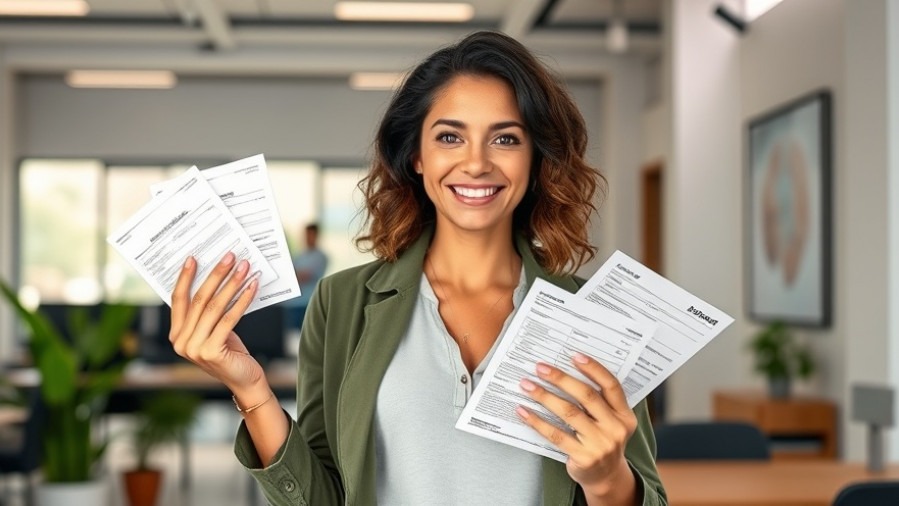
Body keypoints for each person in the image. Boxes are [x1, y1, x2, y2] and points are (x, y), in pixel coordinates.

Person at [168, 30, 667, 506]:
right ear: (417, 157)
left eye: (506, 139)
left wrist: (606, 480)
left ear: (536, 159)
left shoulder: (592, 316)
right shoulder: (341, 303)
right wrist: (251, 387)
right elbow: (321, 497)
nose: (476, 164)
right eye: (450, 137)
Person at [282, 223, 328, 332]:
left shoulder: (320, 256)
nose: (308, 238)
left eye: (311, 235)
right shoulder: (301, 255)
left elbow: (303, 276)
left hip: (306, 304)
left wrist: (291, 275)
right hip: (292, 304)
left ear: (316, 236)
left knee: (304, 335)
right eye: (306, 235)